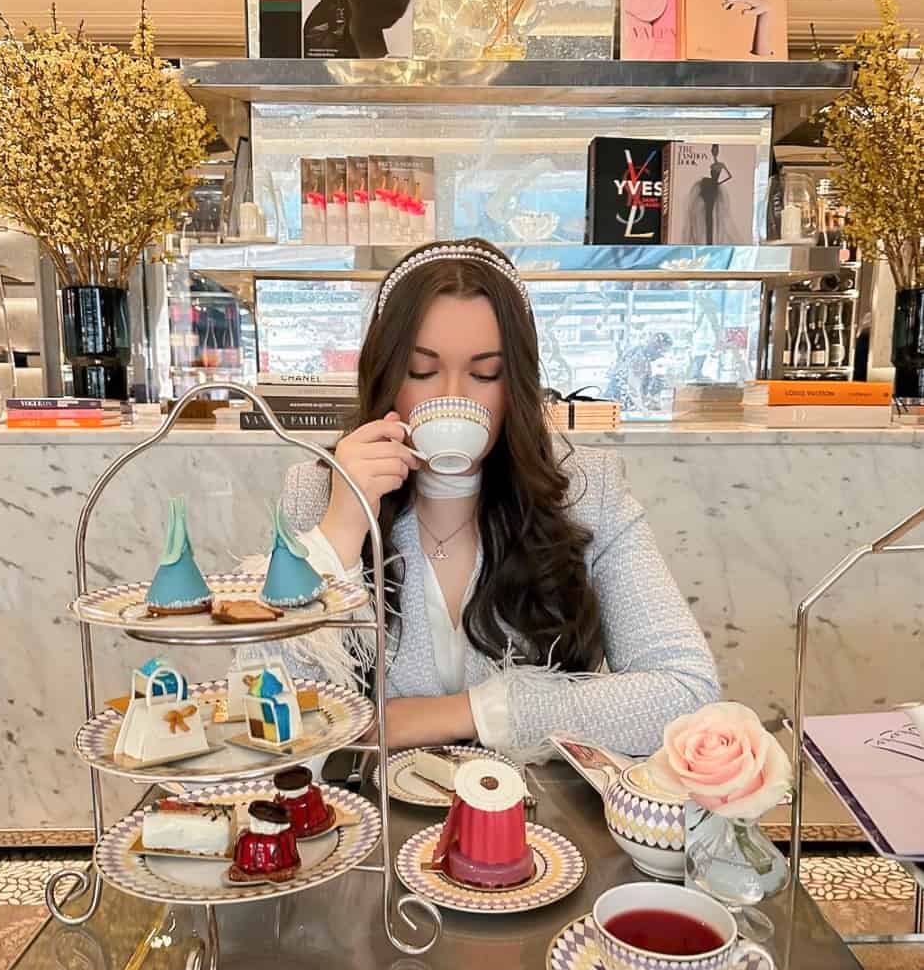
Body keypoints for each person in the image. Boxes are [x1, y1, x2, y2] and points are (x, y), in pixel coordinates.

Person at [280, 239, 719, 761]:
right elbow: (280, 713)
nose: (454, 397)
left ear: (516, 383)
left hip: (539, 828)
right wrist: (341, 532)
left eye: (485, 374)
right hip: (374, 823)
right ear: (386, 375)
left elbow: (687, 692)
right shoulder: (318, 493)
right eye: (422, 372)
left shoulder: (587, 490)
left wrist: (465, 712)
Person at [605, 330, 673, 416]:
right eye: (662, 352)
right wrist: (643, 410)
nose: (661, 356)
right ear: (656, 348)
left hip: (617, 402)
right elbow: (633, 389)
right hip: (617, 404)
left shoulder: (639, 351)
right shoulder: (640, 360)